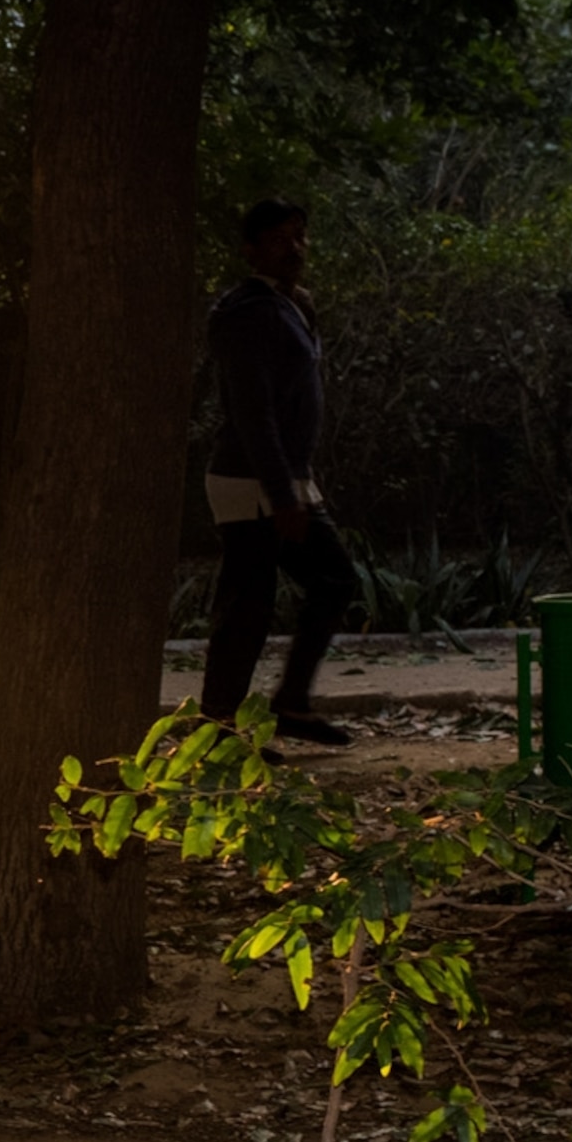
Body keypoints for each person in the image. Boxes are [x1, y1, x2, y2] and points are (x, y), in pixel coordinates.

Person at [202, 198, 356, 747]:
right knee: (247, 605)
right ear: (250, 250)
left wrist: (294, 483)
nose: (292, 248)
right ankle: (218, 729)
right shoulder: (247, 314)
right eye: (276, 240)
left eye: (298, 237)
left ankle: (290, 703)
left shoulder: (293, 305)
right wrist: (281, 494)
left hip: (285, 480)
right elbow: (252, 412)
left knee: (333, 581)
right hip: (252, 485)